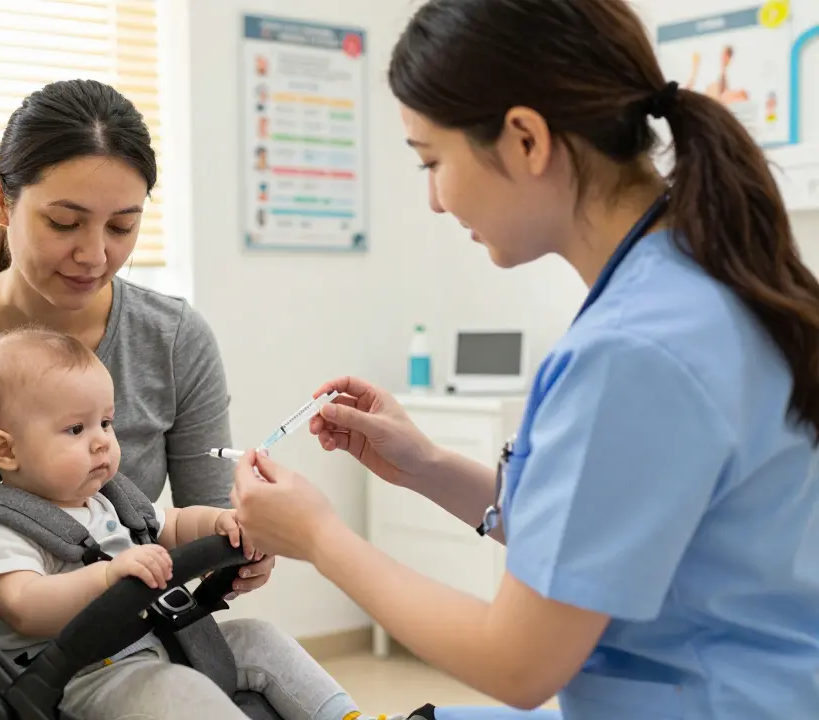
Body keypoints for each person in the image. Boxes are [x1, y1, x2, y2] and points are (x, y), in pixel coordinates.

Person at [230, 1, 819, 718]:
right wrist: (426, 466)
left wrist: (318, 538)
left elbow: (516, 663)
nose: (436, 202)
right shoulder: (698, 280)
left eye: (432, 162)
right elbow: (606, 531)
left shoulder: (632, 351)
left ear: (525, 140)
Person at [0, 79, 275, 597]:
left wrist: (237, 552)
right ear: (0, 201)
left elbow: (205, 520)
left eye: (121, 228)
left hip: (129, 631)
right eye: (64, 222)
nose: (94, 255)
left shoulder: (173, 339)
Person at [0, 327, 392, 720]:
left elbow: (176, 523)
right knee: (178, 690)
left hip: (160, 640)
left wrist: (222, 522)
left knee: (258, 639)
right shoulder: (1, 530)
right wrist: (107, 576)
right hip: (87, 674)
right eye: (75, 429)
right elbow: (22, 606)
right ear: (6, 451)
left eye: (106, 423)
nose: (101, 442)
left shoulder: (108, 501)